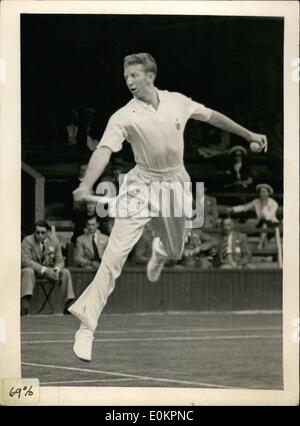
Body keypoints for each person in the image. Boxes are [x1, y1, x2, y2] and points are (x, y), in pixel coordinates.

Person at [68, 52, 267, 361]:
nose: (129, 81)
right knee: (114, 256)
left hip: (175, 184)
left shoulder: (177, 101)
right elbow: (104, 150)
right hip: (140, 185)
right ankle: (86, 327)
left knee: (175, 251)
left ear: (151, 75)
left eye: (134, 75)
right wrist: (86, 184)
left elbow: (212, 116)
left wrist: (249, 134)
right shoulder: (123, 116)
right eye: (126, 77)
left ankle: (161, 253)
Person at [21, 220, 75, 315]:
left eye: (43, 233)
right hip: (33, 271)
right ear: (34, 232)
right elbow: (25, 260)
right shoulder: (27, 241)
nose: (40, 235)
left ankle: (69, 304)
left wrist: (57, 269)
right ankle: (25, 304)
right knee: (28, 271)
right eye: (37, 232)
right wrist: (44, 270)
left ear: (48, 232)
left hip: (49, 271)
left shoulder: (54, 241)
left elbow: (60, 260)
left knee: (65, 272)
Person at [228, 183, 279, 249]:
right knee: (263, 226)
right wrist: (233, 209)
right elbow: (245, 207)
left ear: (268, 193)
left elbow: (268, 217)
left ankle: (259, 245)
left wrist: (264, 206)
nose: (262, 194)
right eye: (260, 192)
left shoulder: (274, 203)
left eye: (264, 192)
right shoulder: (256, 201)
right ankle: (264, 252)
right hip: (261, 223)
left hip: (272, 223)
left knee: (264, 225)